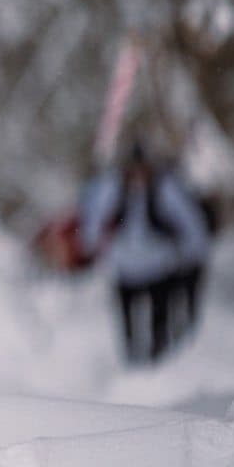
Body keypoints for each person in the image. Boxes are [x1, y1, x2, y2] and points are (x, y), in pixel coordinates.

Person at [78, 141, 212, 363]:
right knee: (128, 322)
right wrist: (91, 246)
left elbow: (190, 222)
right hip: (124, 266)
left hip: (157, 265)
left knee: (159, 320)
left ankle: (159, 361)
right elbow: (93, 220)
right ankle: (131, 361)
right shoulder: (113, 187)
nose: (138, 174)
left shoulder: (164, 188)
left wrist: (191, 254)